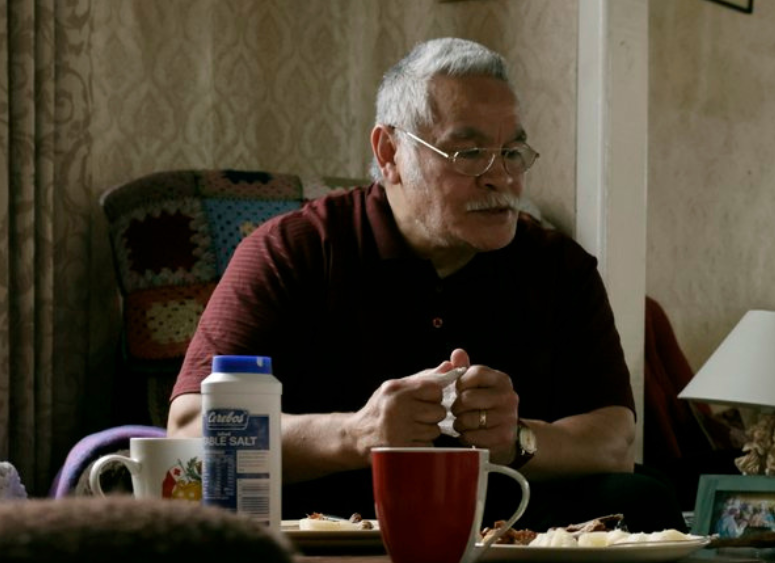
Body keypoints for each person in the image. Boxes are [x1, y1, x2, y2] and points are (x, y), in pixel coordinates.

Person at [167, 37, 681, 534]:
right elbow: (189, 431)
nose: (501, 178)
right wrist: (355, 434)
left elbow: (614, 438)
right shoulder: (292, 250)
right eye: (471, 152)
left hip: (501, 514)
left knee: (644, 501)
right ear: (390, 151)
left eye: (513, 152)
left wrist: (518, 441)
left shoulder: (558, 266)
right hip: (331, 513)